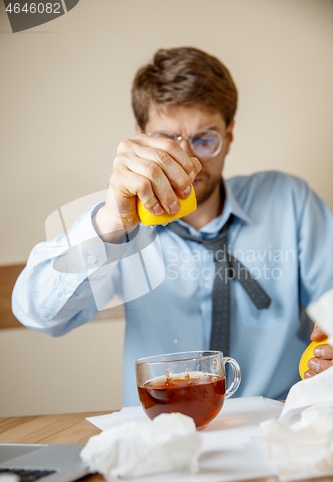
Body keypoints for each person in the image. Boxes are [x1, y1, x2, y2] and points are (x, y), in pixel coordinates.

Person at [12, 47, 333, 406]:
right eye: (167, 140)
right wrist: (111, 223)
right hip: (158, 431)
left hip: (276, 429)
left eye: (205, 138)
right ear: (139, 137)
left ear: (229, 136)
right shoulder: (117, 225)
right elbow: (38, 314)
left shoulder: (288, 201)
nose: (188, 160)